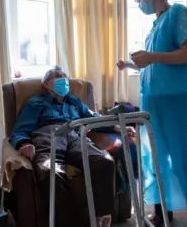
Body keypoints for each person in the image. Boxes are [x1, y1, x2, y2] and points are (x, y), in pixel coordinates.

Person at [117, 0, 187, 227]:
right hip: (153, 101)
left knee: (180, 157)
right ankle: (163, 211)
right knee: (156, 158)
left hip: (175, 100)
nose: (140, 3)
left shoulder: (178, 14)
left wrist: (150, 57)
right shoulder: (156, 25)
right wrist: (133, 64)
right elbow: (157, 67)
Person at [9, 66, 136, 227]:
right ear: (46, 84)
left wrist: (116, 126)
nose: (63, 80)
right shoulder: (36, 102)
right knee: (49, 171)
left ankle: (102, 217)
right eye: (57, 77)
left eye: (65, 77)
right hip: (49, 135)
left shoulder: (74, 101)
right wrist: (24, 142)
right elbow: (20, 129)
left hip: (75, 134)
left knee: (105, 161)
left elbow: (93, 118)